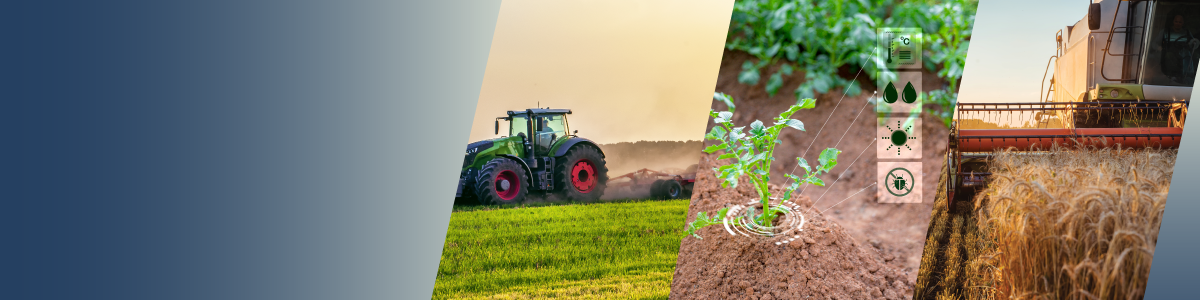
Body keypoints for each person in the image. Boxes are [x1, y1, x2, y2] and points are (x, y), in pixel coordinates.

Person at [1161, 13, 1199, 83]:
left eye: (1180, 22)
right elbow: (1154, 43)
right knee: (1169, 56)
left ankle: (1190, 76)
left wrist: (1192, 43)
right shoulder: (1166, 32)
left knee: (1195, 56)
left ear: (1183, 23)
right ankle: (1172, 76)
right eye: (1176, 21)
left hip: (1184, 52)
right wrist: (1159, 48)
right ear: (1173, 21)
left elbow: (1194, 42)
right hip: (1170, 53)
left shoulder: (1187, 32)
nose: (1178, 23)